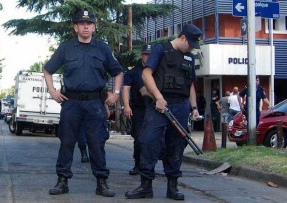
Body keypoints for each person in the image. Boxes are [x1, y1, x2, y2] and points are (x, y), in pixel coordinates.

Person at [43, 9, 123, 197]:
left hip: (95, 103)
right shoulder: (66, 47)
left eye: (89, 24)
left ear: (94, 27)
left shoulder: (102, 48)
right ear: (76, 27)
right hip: (71, 103)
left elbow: (118, 72)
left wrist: (117, 93)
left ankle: (101, 183)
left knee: (97, 143)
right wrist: (52, 91)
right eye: (81, 23)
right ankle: (62, 181)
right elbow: (48, 70)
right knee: (67, 141)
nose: (85, 26)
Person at [125, 24, 202, 200]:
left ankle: (172, 187)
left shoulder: (189, 58)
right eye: (190, 43)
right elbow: (146, 74)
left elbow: (190, 85)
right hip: (158, 105)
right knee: (148, 142)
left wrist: (194, 107)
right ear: (182, 38)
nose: (191, 47)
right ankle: (145, 186)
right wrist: (158, 97)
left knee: (176, 146)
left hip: (180, 105)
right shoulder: (161, 50)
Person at [122, 44, 151, 176]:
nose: (148, 57)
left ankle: (149, 165)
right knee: (139, 138)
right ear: (141, 56)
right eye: (146, 54)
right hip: (138, 109)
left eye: (150, 54)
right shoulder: (133, 72)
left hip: (154, 109)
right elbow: (126, 89)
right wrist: (126, 106)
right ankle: (137, 164)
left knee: (152, 138)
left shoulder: (157, 70)